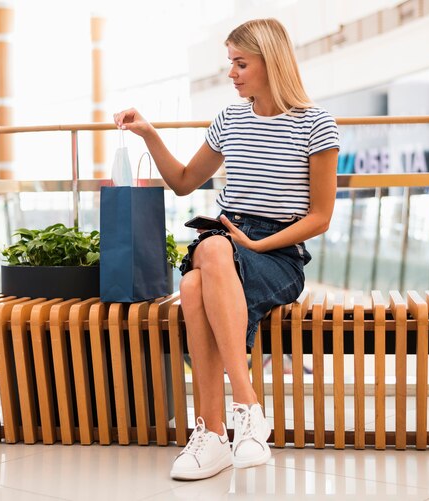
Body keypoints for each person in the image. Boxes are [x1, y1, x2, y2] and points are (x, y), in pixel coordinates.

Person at [113, 18, 339, 481]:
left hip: (278, 251)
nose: (232, 74)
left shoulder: (316, 124)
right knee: (211, 255)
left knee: (195, 285)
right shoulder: (230, 120)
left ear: (270, 63)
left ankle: (216, 431)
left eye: (241, 63)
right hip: (223, 239)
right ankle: (243, 414)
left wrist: (256, 243)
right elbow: (181, 183)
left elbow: (319, 217)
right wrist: (150, 134)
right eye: (230, 64)